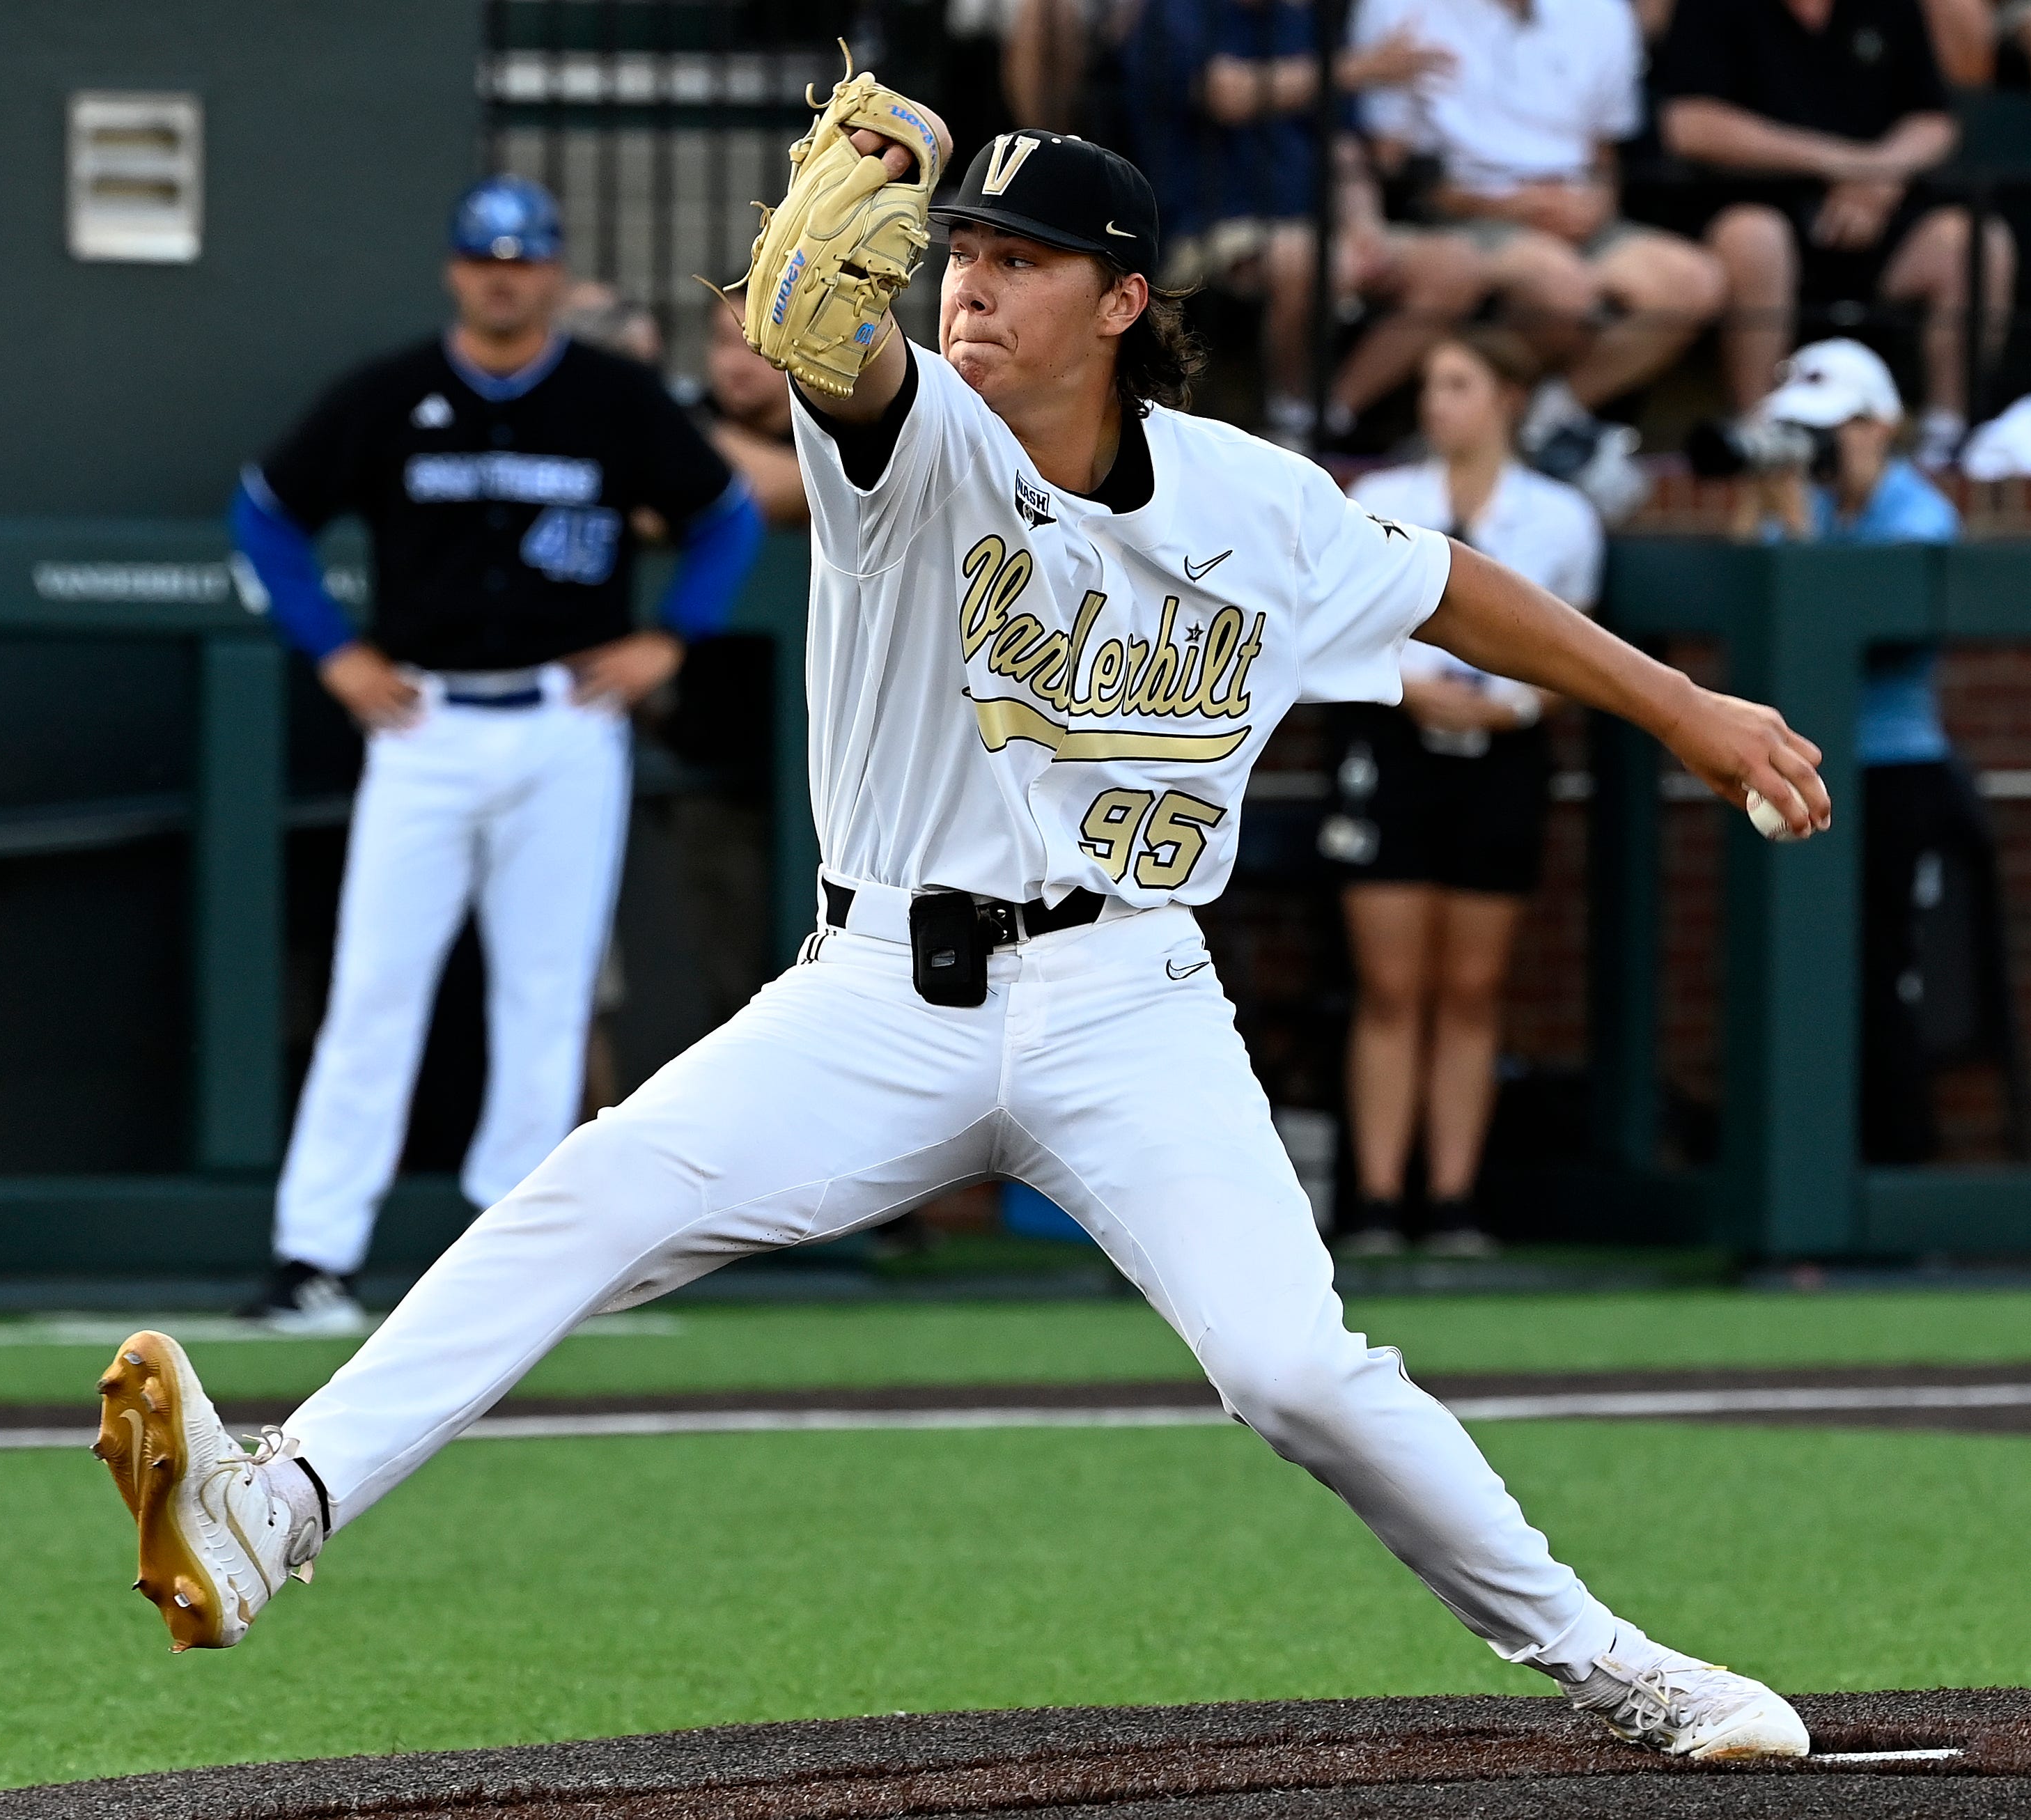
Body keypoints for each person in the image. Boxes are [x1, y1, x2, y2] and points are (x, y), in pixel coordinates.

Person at [98, 98, 1831, 1767]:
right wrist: (862, 190)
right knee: (590, 1192)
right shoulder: (911, 438)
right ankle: (274, 1509)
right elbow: (813, 333)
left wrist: (1677, 706)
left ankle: (1613, 1662)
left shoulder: (1254, 501)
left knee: (1297, 1371)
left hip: (1127, 995)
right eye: (965, 251)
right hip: (874, 996)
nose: (973, 284)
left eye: (1023, 257)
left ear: (1124, 301)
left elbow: (1449, 581)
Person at [228, 177, 764, 1335]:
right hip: (421, 720)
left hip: (566, 720)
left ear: (560, 273)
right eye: (485, 258)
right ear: (456, 269)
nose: (504, 276)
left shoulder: (614, 399)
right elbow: (265, 512)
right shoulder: (392, 394)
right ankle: (312, 1256)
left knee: (547, 990)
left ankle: (513, 1267)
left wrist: (671, 637)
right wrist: (332, 650)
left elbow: (723, 514)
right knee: (376, 989)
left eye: (524, 260)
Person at [1325, 328, 1603, 1255]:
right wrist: (1410, 688)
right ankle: (1371, 1201)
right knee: (1391, 983)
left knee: (1475, 985)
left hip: (1504, 755)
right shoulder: (1381, 498)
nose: (1436, 403)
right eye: (1431, 384)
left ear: (1508, 399)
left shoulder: (1561, 516)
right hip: (1391, 741)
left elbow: (1572, 651)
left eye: (1458, 384)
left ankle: (1451, 1203)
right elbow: (1341, 623)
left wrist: (1516, 709)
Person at [1735, 338, 2013, 1159]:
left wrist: (1796, 525)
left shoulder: (1918, 511)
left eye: (1838, 427)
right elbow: (1759, 606)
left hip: (1894, 775)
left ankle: (1896, 1159)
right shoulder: (1813, 506)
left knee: (1879, 969)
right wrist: (1767, 504)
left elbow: (1850, 632)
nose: (1823, 445)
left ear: (1881, 425)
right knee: (1801, 975)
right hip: (1800, 769)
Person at [1351, 0, 1727, 466]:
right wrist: (1508, 205)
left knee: (1693, 281)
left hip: (1576, 212)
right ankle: (1473, 431)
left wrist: (1595, 203)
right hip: (1458, 214)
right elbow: (1393, 163)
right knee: (1561, 287)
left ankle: (1534, 422)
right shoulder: (1397, 8)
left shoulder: (1604, 13)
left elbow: (1603, 152)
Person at [1655, 0, 2016, 465]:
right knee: (1754, 235)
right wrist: (1840, 162)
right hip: (1760, 213)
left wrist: (1880, 176)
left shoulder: (1891, 8)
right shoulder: (1712, 10)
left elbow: (1934, 119)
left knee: (1975, 242)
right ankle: (1761, 439)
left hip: (1877, 218)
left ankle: (1944, 442)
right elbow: (1689, 126)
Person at [1121, 0, 1491, 449]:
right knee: (1311, 259)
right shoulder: (1177, 14)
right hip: (1210, 228)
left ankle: (1326, 415)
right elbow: (1227, 93)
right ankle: (1286, 406)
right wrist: (1359, 67)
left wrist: (1365, 224)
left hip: (1321, 227)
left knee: (1456, 267)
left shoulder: (1304, 25)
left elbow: (1345, 152)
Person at [681, 295, 810, 527]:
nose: (736, 365)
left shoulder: (832, 430)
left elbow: (790, 490)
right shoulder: (693, 412)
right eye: (725, 341)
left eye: (759, 346)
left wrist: (693, 434)